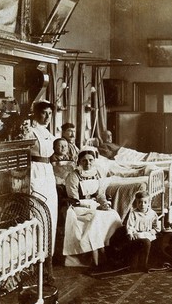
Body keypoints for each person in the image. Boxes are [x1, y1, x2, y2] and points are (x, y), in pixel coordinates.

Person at [63, 149, 122, 267]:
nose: (88, 163)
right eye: (84, 161)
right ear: (79, 161)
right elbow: (73, 198)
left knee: (113, 214)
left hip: (94, 205)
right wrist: (91, 204)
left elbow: (100, 194)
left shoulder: (96, 174)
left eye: (90, 160)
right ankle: (98, 253)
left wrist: (104, 203)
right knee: (96, 217)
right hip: (78, 207)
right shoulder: (73, 176)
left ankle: (110, 248)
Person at [25, 100, 58, 277]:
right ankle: (33, 260)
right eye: (44, 113)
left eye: (50, 114)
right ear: (36, 113)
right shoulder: (29, 131)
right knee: (37, 214)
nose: (47, 117)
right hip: (35, 173)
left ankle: (47, 259)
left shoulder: (47, 132)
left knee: (50, 215)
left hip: (47, 173)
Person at [106, 191, 161, 273]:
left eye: (145, 202)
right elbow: (130, 226)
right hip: (137, 235)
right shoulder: (133, 213)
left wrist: (152, 231)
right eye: (140, 202)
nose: (142, 205)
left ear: (149, 203)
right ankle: (134, 263)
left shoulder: (152, 214)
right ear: (136, 202)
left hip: (147, 233)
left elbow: (156, 227)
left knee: (148, 241)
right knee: (134, 262)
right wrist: (130, 233)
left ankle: (144, 264)